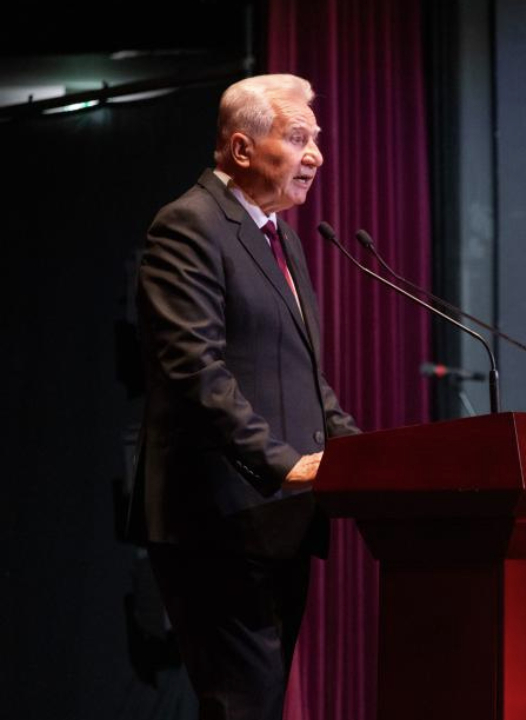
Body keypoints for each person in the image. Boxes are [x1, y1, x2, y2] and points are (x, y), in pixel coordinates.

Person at [132, 73, 359, 719]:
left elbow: (303, 375)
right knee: (242, 706)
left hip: (279, 520)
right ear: (240, 149)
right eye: (297, 139)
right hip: (220, 517)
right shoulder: (188, 226)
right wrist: (281, 461)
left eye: (316, 139)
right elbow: (193, 369)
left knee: (259, 705)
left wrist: (365, 454)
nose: (315, 154)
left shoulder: (280, 236)